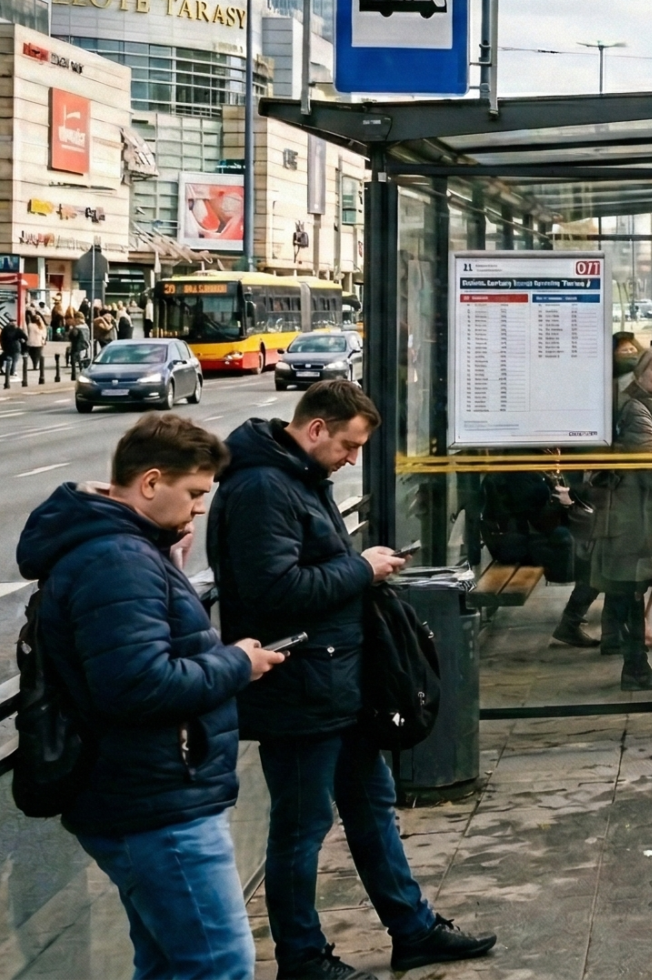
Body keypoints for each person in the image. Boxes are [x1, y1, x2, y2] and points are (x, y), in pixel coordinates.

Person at [211, 380, 495, 980]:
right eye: (348, 445)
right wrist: (362, 568)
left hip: (336, 679)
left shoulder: (297, 476)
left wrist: (362, 568)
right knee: (302, 828)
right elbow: (274, 590)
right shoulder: (263, 487)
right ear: (315, 429)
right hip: (298, 687)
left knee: (371, 808)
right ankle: (302, 957)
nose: (352, 459)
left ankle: (413, 930)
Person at [18, 415, 282, 980]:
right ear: (151, 482)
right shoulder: (117, 561)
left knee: (167, 962)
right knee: (220, 964)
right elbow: (137, 685)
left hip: (144, 792)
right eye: (194, 493)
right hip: (155, 802)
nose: (200, 508)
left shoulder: (124, 549)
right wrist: (238, 663)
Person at [592, 349, 652, 692]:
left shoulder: (648, 404)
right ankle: (635, 668)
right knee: (632, 591)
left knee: (625, 590)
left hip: (628, 515)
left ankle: (623, 650)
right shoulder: (638, 408)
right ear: (639, 374)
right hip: (633, 516)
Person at [25, 309, 48, 384]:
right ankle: (36, 364)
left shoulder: (30, 325)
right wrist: (44, 340)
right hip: (39, 343)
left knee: (32, 355)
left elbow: (27, 331)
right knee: (38, 355)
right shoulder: (42, 326)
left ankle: (34, 364)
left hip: (31, 343)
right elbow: (44, 334)